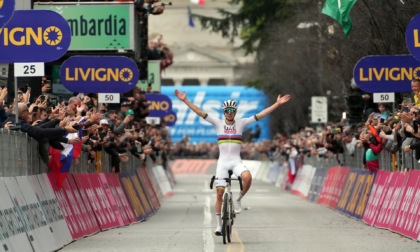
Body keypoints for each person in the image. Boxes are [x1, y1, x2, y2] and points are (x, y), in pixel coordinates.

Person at [174, 89, 291, 236]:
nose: (229, 112)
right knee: (219, 194)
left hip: (236, 162)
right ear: (224, 112)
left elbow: (261, 115)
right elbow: (199, 112)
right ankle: (218, 225)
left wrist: (277, 104)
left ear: (235, 112)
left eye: (232, 110)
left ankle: (238, 199)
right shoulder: (217, 123)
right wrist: (185, 100)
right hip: (222, 163)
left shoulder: (241, 123)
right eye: (227, 110)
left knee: (247, 177)